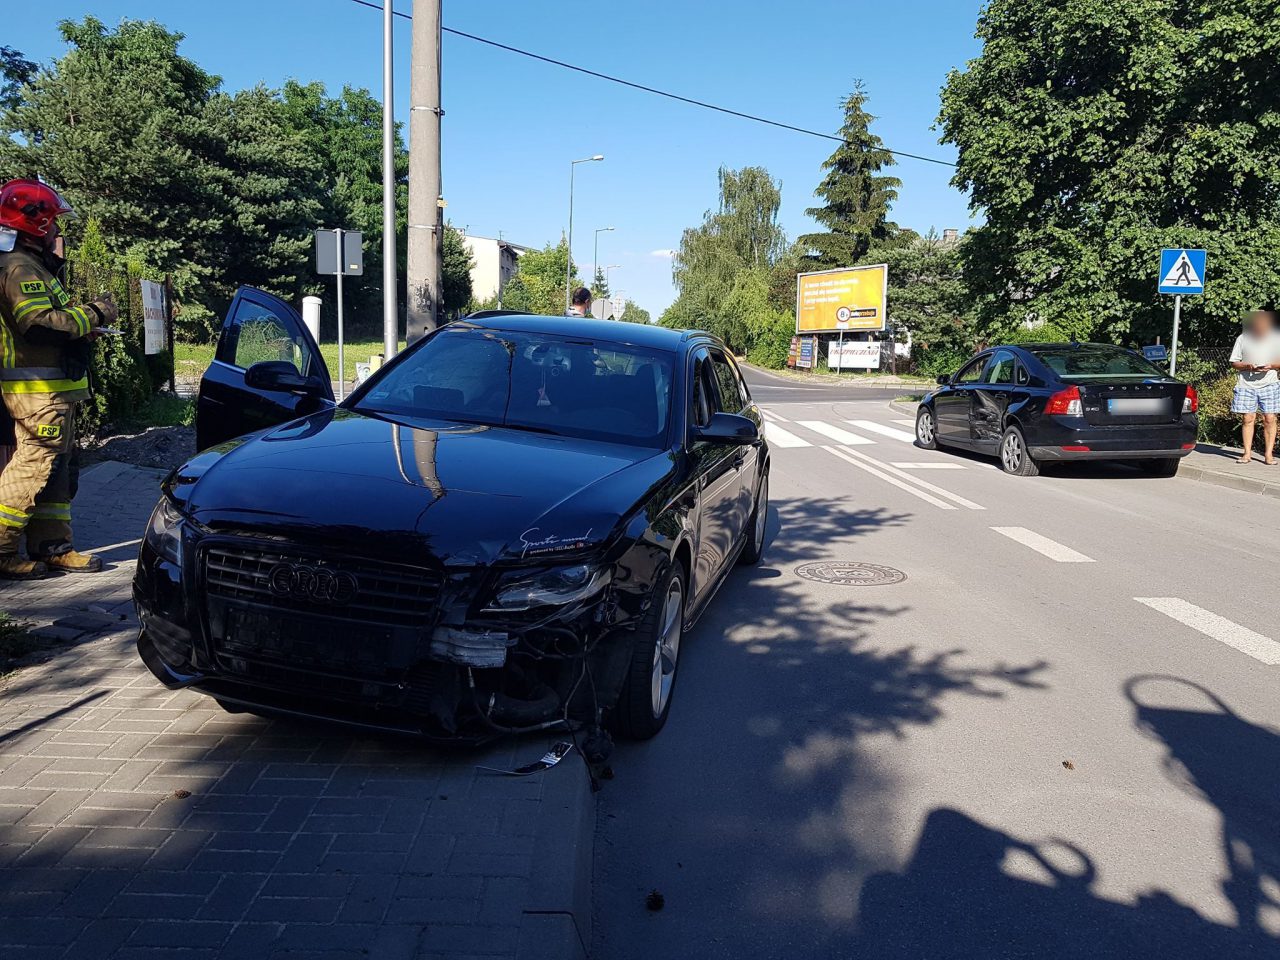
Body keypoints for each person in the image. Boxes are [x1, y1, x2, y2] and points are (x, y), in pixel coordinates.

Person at [0, 178, 116, 579]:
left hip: (52, 389)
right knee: (33, 465)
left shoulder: (37, 266)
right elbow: (37, 324)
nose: (57, 231)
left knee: (57, 470)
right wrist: (95, 314)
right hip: (36, 390)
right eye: (52, 223)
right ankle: (0, 550)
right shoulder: (18, 267)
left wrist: (82, 328)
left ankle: (53, 547)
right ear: (37, 224)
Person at [1228, 308, 1280, 465]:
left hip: (1270, 383)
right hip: (1246, 384)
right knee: (1247, 418)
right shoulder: (1243, 339)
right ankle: (1246, 454)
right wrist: (1248, 366)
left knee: (1270, 418)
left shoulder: (1276, 338)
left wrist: (1271, 365)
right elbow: (1234, 362)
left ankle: (1269, 455)